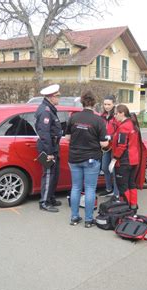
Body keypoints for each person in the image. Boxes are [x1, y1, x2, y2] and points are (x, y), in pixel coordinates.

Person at [65, 91, 109, 228]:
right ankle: (89, 220)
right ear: (94, 103)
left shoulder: (73, 118)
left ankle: (74, 217)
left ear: (82, 103)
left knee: (76, 187)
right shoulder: (98, 120)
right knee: (90, 188)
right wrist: (107, 142)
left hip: (74, 158)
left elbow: (67, 138)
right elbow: (103, 144)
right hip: (91, 159)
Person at [110, 105, 145, 211]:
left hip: (124, 161)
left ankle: (126, 208)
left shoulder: (124, 127)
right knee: (131, 184)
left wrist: (114, 159)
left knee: (123, 186)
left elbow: (121, 146)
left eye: (116, 113)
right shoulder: (132, 124)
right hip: (134, 160)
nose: (114, 116)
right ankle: (133, 206)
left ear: (122, 113)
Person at [35, 84, 63, 212]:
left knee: (54, 174)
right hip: (48, 147)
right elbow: (44, 133)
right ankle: (44, 202)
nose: (59, 98)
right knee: (48, 174)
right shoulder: (45, 111)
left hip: (53, 145)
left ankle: (50, 197)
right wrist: (48, 152)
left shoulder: (50, 109)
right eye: (57, 96)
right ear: (51, 97)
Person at [99, 95, 119, 198]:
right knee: (104, 167)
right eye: (105, 104)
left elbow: (120, 131)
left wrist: (110, 137)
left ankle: (116, 193)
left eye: (109, 104)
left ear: (113, 104)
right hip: (105, 146)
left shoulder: (116, 116)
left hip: (114, 146)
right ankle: (108, 189)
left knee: (114, 169)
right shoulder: (102, 116)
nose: (106, 106)